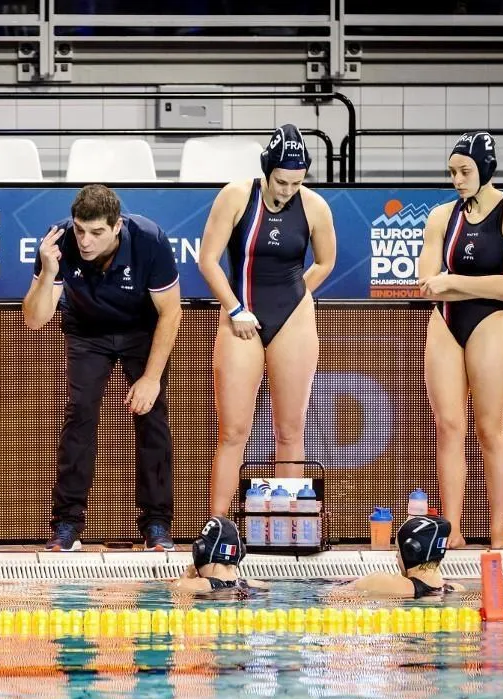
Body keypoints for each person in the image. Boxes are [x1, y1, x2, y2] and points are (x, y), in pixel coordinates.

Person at [22, 184, 182, 552]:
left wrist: (151, 379)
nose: (85, 241)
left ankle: (156, 524)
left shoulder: (149, 239)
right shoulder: (59, 242)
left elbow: (171, 313)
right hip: (87, 333)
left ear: (117, 227)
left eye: (96, 232)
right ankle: (67, 524)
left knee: (152, 415)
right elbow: (34, 320)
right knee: (80, 415)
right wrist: (48, 272)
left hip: (141, 330)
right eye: (80, 229)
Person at [197, 124, 337, 517]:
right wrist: (235, 307)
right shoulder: (238, 197)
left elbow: (326, 261)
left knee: (291, 433)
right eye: (280, 181)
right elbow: (208, 260)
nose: (286, 190)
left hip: (292, 318)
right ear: (266, 170)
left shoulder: (314, 206)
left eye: (295, 182)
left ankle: (288, 529)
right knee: (233, 432)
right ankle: (218, 526)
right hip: (240, 315)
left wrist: (297, 295)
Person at [417, 131, 503, 550]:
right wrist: (453, 286)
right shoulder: (441, 216)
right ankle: (452, 531)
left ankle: (499, 534)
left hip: (490, 323)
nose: (458, 180)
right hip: (445, 322)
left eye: (465, 171)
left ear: (485, 170)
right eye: (452, 172)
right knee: (448, 428)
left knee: (489, 429)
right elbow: (427, 283)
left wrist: (453, 282)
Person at [337, 516, 461, 597]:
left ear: (411, 551)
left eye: (398, 549)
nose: (397, 555)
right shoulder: (456, 589)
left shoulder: (384, 582)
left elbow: (337, 595)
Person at [174, 516, 268, 593]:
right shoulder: (259, 586)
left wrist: (185, 578)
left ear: (199, 552)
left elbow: (181, 607)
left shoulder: (186, 586)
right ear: (240, 554)